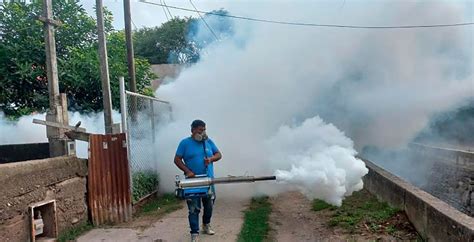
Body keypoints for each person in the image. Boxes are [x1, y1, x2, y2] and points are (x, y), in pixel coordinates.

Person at [174, 119, 222, 242]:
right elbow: (177, 159)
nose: (203, 132)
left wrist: (211, 159)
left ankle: (206, 225)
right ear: (193, 130)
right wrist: (187, 171)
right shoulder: (185, 143)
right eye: (200, 130)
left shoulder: (208, 142)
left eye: (204, 129)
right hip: (192, 182)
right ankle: (194, 233)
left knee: (209, 205)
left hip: (208, 180)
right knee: (193, 208)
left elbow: (219, 154)